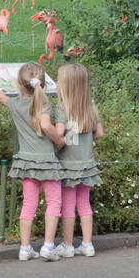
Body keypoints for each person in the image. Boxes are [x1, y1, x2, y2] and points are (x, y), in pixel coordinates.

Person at [0, 61, 67, 260]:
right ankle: (48, 246)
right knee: (54, 203)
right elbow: (47, 126)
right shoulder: (44, 103)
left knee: (29, 203)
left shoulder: (15, 104)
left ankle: (24, 248)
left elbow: (2, 98)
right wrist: (60, 141)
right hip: (47, 161)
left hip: (26, 161)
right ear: (43, 84)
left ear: (20, 85)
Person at [53, 63, 105, 257]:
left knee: (67, 205)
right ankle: (87, 244)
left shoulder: (61, 108)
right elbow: (99, 133)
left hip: (68, 164)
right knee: (84, 203)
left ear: (66, 85)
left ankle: (67, 246)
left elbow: (59, 134)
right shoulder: (90, 106)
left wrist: (53, 141)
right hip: (87, 163)